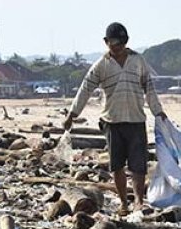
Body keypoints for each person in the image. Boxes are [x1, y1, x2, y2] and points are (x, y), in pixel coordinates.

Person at [64, 22, 167, 216]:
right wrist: (72, 114)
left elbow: (149, 88)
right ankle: (123, 203)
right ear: (106, 42)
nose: (118, 47)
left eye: (121, 43)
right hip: (112, 122)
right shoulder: (101, 65)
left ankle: (137, 201)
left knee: (138, 165)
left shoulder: (138, 61)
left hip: (136, 119)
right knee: (117, 165)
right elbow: (85, 89)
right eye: (114, 43)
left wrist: (158, 111)